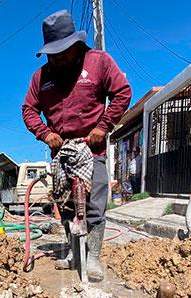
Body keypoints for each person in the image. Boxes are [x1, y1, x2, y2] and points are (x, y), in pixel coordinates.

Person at [21, 9, 131, 281]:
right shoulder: (41, 77)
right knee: (67, 206)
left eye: (63, 52)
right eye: (52, 54)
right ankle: (74, 252)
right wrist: (46, 134)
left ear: (76, 44)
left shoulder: (98, 62)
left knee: (94, 206)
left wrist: (103, 126)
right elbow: (29, 110)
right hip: (62, 154)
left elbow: (122, 93)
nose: (57, 58)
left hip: (92, 150)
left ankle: (92, 257)